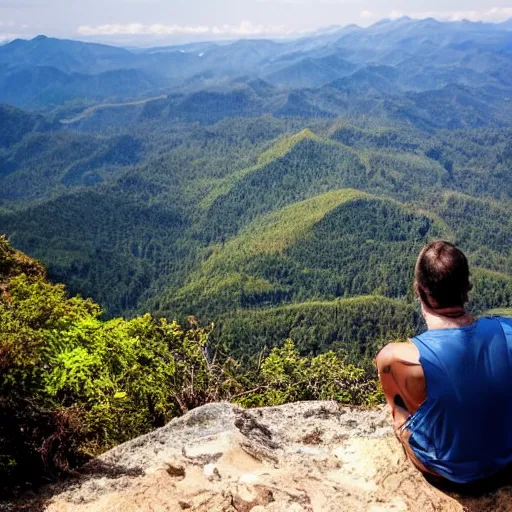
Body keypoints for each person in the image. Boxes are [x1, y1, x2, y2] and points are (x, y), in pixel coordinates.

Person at [376, 240, 512, 484]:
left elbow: (399, 412)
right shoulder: (507, 331)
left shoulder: (394, 358)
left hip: (447, 475)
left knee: (401, 416)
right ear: (467, 286)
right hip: (506, 466)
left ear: (418, 289)